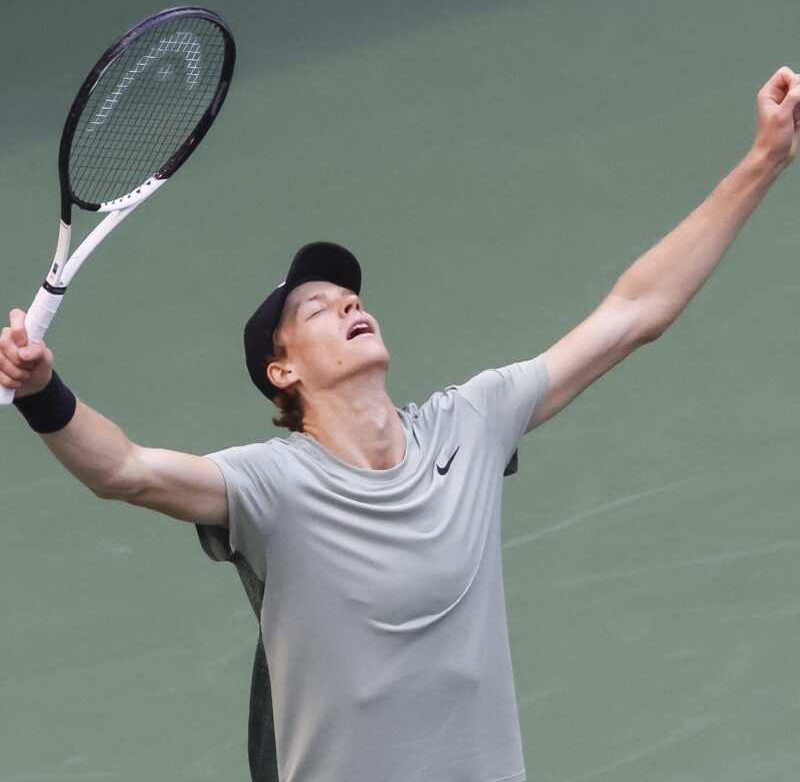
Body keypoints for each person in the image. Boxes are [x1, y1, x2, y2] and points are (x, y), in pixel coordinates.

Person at [2, 66, 799, 782]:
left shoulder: (471, 425)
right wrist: (43, 388)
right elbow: (125, 470)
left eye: (352, 297)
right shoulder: (271, 485)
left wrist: (763, 160)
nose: (350, 304)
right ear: (283, 372)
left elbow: (633, 313)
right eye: (317, 308)